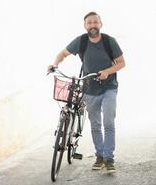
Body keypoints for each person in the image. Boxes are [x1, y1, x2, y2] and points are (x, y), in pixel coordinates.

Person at [47, 12, 126, 173]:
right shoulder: (81, 41)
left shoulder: (109, 41)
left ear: (101, 24)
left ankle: (109, 159)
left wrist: (107, 71)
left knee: (108, 123)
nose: (92, 25)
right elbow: (62, 54)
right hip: (89, 88)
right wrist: (54, 64)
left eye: (95, 22)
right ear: (85, 26)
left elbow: (121, 63)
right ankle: (99, 157)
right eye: (89, 23)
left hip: (109, 87)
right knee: (95, 125)